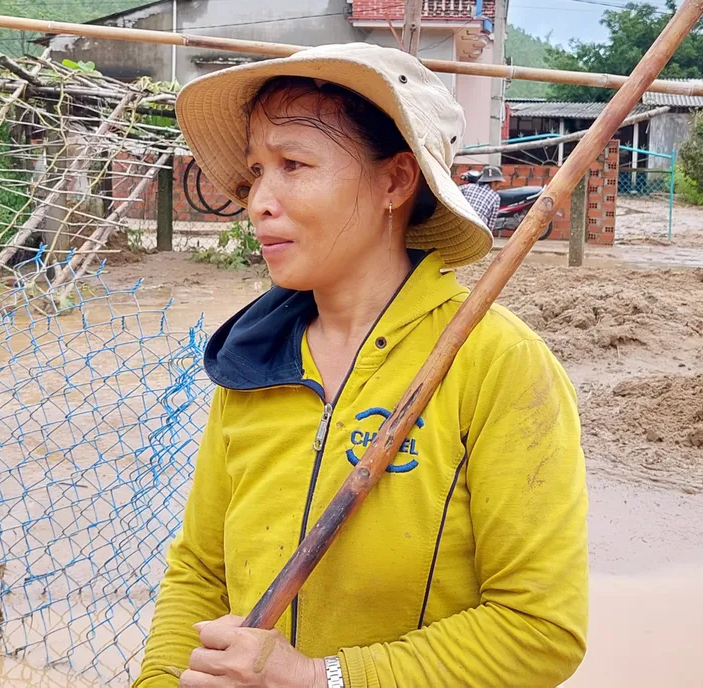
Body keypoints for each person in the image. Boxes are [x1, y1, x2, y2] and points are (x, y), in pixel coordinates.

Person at [135, 43, 587, 688]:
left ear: (395, 182)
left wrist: (321, 678)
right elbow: (202, 573)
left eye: (293, 164)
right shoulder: (254, 361)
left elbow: (539, 628)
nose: (259, 201)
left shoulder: (495, 363)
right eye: (255, 172)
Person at [460, 165, 505, 232]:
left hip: (461, 223)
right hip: (478, 230)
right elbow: (491, 223)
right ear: (494, 182)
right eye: (499, 183)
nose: (499, 186)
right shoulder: (495, 197)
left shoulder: (466, 187)